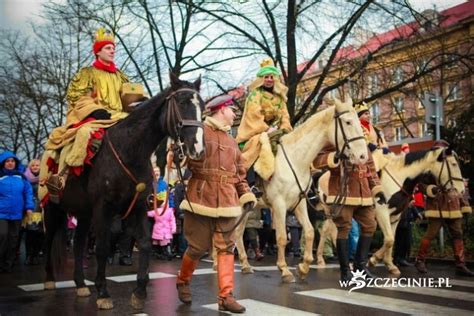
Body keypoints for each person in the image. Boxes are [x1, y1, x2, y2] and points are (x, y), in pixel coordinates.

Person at [39, 28, 146, 203]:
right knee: (84, 134)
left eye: (113, 48)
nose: (112, 51)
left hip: (119, 117)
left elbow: (129, 100)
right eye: (108, 48)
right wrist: (94, 110)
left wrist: (141, 103)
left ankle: (149, 184)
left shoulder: (121, 77)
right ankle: (62, 177)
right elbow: (76, 97)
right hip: (95, 117)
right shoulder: (87, 73)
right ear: (97, 52)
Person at [176, 94, 256, 313]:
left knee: (226, 247)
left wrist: (246, 194)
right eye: (232, 110)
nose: (235, 114)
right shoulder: (199, 130)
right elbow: (184, 158)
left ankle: (226, 296)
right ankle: (182, 280)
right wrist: (178, 153)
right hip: (201, 198)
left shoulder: (232, 141)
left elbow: (240, 173)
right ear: (221, 109)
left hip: (228, 200)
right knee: (197, 248)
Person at [313, 147, 386, 282]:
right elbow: (318, 161)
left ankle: (360, 267)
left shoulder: (363, 145)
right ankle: (345, 271)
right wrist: (335, 155)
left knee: (370, 225)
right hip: (343, 192)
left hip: (364, 194)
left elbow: (371, 170)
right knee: (344, 228)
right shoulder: (336, 141)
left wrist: (377, 189)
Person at [415, 141, 473, 277]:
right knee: (431, 233)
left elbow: (458, 183)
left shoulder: (452, 163)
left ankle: (460, 264)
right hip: (437, 204)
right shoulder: (429, 167)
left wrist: (464, 205)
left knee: (457, 234)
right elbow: (421, 185)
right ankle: (420, 260)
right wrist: (431, 189)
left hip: (453, 204)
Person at [235, 58, 292, 181]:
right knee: (256, 145)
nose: (269, 80)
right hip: (254, 132)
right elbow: (253, 116)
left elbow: (285, 116)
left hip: (277, 131)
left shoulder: (280, 98)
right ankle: (250, 182)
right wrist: (267, 130)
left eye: (272, 77)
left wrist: (284, 129)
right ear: (262, 79)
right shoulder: (255, 95)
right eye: (266, 77)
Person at [0, 151, 34, 273]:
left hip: (17, 213)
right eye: (8, 161)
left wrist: (29, 207)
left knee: (14, 239)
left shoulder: (21, 177)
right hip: (1, 213)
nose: (10, 163)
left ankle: (8, 264)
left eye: (12, 161)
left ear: (16, 163)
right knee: (2, 236)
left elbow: (28, 192)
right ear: (3, 163)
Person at [22, 159, 44, 265]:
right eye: (33, 165)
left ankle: (36, 254)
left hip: (42, 207)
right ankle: (29, 255)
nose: (35, 167)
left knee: (40, 233)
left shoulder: (45, 176)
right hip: (30, 208)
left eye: (37, 165)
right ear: (30, 167)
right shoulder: (25, 178)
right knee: (31, 232)